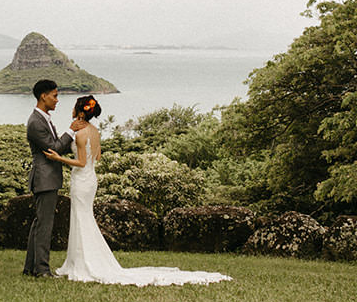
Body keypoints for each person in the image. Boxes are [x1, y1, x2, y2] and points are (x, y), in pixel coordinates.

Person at [47, 95, 230, 286]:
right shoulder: (94, 131)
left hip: (81, 179)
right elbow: (97, 157)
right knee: (84, 218)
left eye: (74, 107)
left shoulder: (82, 133)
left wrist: (58, 158)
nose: (72, 110)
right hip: (91, 178)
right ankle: (81, 260)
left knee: (81, 218)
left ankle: (84, 263)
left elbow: (82, 162)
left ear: (80, 111)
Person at [23, 79, 75, 277]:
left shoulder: (43, 118)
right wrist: (71, 130)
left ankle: (31, 267)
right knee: (45, 225)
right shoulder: (36, 122)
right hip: (44, 178)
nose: (57, 100)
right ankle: (42, 269)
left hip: (46, 178)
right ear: (43, 96)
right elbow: (53, 147)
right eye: (55, 96)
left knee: (39, 223)